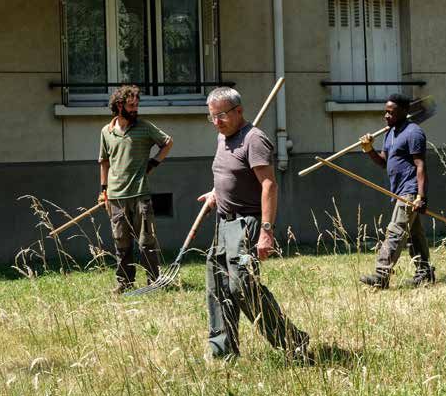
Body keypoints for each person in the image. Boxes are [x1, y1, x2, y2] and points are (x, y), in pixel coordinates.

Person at [198, 86, 309, 360]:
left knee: (243, 286)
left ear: (239, 111)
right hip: (223, 224)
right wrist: (216, 194)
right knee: (218, 287)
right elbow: (229, 173)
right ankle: (223, 352)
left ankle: (293, 342)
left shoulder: (254, 139)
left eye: (221, 115)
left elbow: (269, 185)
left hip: (246, 224)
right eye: (212, 116)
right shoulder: (223, 137)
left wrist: (266, 232)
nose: (216, 122)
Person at [98, 85, 173, 294]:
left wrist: (153, 163)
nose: (135, 109)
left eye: (137, 105)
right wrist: (104, 190)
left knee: (146, 242)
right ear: (119, 105)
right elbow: (104, 162)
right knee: (121, 242)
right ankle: (124, 282)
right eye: (131, 106)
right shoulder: (106, 131)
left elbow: (168, 142)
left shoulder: (144, 127)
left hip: (140, 194)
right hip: (115, 196)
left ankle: (153, 282)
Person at [359, 93, 435, 288]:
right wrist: (369, 149)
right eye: (385, 112)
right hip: (399, 190)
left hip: (410, 191)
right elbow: (383, 162)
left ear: (404, 111)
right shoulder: (390, 133)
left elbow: (420, 166)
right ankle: (425, 273)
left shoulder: (414, 133)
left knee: (396, 231)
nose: (386, 115)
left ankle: (381, 275)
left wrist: (421, 196)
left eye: (391, 112)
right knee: (414, 235)